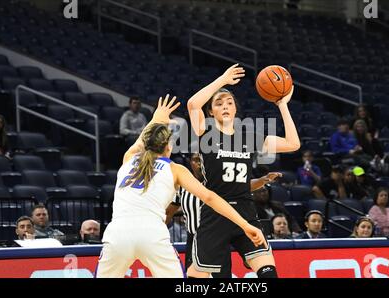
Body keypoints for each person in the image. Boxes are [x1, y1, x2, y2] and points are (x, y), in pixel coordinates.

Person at [96, 95, 266, 278]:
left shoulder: (129, 158)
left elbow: (141, 141)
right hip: (151, 232)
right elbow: (210, 198)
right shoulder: (175, 169)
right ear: (169, 146)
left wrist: (156, 118)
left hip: (117, 233)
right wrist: (245, 224)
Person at [186, 64, 300, 278]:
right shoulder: (205, 133)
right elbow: (193, 104)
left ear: (236, 109)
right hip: (215, 215)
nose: (225, 106)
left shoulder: (248, 137)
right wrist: (222, 80)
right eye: (219, 104)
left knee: (269, 275)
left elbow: (293, 144)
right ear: (211, 111)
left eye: (229, 102)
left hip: (246, 212)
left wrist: (282, 104)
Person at [165, 153, 282, 277]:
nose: (199, 164)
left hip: (217, 235)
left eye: (201, 160)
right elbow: (168, 212)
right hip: (195, 239)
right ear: (190, 162)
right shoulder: (182, 185)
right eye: (196, 160)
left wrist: (263, 180)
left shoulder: (220, 183)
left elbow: (245, 186)